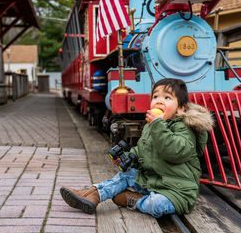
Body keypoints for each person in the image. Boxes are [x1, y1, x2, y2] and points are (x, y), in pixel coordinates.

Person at [60, 78, 213, 218]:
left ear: (181, 108)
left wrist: (157, 125)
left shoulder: (185, 128)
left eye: (167, 98)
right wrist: (129, 158)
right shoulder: (152, 126)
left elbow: (175, 152)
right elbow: (143, 150)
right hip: (154, 180)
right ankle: (93, 194)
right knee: (126, 175)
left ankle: (133, 200)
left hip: (177, 191)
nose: (159, 101)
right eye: (155, 97)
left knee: (157, 205)